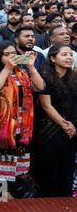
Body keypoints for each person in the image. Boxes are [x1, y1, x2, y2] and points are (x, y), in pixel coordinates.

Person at [0, 41, 44, 199]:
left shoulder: (23, 73)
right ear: (0, 57)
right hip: (3, 127)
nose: (12, 56)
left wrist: (31, 66)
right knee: (0, 173)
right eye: (7, 54)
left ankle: (10, 198)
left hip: (22, 127)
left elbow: (40, 87)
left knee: (16, 170)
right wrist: (7, 68)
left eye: (14, 53)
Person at [31, 44, 76, 197]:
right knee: (48, 169)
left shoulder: (74, 77)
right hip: (48, 129)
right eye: (64, 55)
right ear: (52, 58)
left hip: (71, 130)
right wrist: (65, 125)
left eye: (70, 55)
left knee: (67, 168)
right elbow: (46, 105)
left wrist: (74, 126)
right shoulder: (45, 76)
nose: (69, 57)